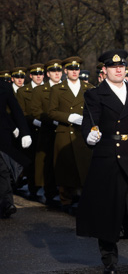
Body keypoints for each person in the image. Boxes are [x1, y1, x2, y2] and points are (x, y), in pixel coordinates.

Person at [77, 49, 128, 274]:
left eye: (122, 66)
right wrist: (89, 136)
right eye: (114, 67)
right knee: (108, 211)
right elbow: (89, 122)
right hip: (107, 158)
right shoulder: (95, 94)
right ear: (105, 70)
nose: (119, 69)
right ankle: (110, 262)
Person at [48, 56, 92, 214]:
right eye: (71, 69)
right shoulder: (57, 89)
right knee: (65, 168)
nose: (75, 72)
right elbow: (51, 112)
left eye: (77, 69)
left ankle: (85, 198)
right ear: (65, 71)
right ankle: (66, 200)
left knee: (85, 166)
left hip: (83, 133)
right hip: (65, 132)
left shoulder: (89, 88)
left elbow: (94, 110)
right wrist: (69, 117)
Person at [29, 59, 63, 207]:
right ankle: (50, 194)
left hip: (66, 131)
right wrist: (52, 120)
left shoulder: (68, 88)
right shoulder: (39, 90)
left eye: (59, 71)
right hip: (48, 132)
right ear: (48, 74)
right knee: (48, 164)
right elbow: (35, 111)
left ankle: (66, 193)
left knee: (65, 163)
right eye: (53, 72)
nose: (57, 74)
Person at [0, 79, 32, 218]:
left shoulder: (4, 86)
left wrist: (24, 132)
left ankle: (7, 203)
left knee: (3, 169)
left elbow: (16, 110)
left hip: (2, 135)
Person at [16, 63, 45, 200]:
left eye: (41, 74)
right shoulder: (23, 91)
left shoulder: (50, 89)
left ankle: (48, 188)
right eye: (36, 74)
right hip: (31, 130)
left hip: (47, 129)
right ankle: (33, 188)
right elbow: (21, 113)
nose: (39, 77)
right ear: (31, 76)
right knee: (32, 161)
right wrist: (33, 121)